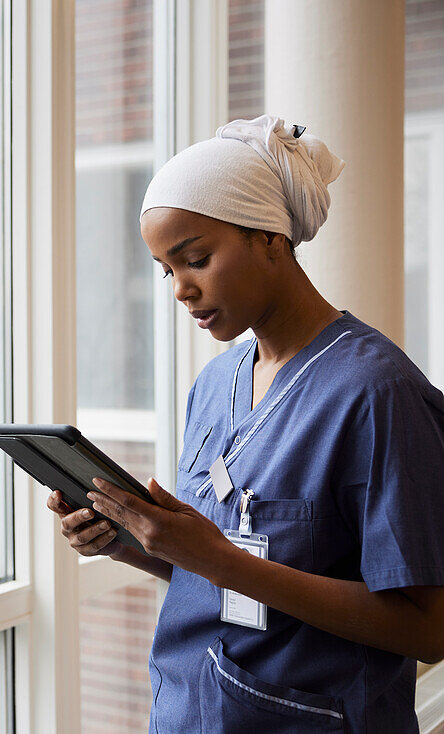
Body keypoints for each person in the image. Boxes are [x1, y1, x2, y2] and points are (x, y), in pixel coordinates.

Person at [48, 115, 444, 733]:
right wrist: (136, 542)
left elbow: (427, 627)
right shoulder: (214, 385)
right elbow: (231, 568)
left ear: (269, 238)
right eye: (166, 270)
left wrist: (220, 559)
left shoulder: (377, 394)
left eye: (196, 259)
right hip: (191, 711)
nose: (181, 290)